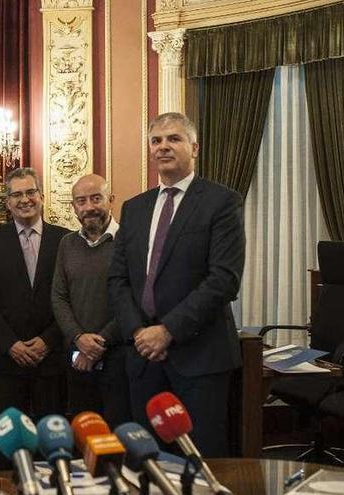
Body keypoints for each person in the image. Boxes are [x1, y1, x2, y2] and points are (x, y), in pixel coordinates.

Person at [107, 112, 245, 457]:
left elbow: (224, 279)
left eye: (174, 139)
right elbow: (118, 279)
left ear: (194, 147)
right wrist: (139, 332)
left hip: (199, 357)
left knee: (201, 463)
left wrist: (167, 331)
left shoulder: (222, 202)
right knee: (149, 463)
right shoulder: (134, 208)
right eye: (156, 140)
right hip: (143, 358)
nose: (163, 147)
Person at [0, 167, 70, 419]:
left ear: (42, 196)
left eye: (30, 192)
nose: (24, 199)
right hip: (7, 363)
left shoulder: (66, 240)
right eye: (16, 195)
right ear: (7, 202)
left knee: (52, 440)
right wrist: (11, 345)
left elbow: (72, 299)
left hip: (52, 361)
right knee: (10, 442)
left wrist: (47, 341)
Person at [51, 174, 130, 425]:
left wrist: (98, 343)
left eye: (96, 198)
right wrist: (78, 338)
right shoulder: (67, 244)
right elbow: (59, 296)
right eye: (81, 201)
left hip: (119, 358)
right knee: (83, 435)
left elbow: (134, 299)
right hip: (77, 359)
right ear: (74, 207)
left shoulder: (129, 241)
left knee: (119, 435)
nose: (89, 207)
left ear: (111, 200)